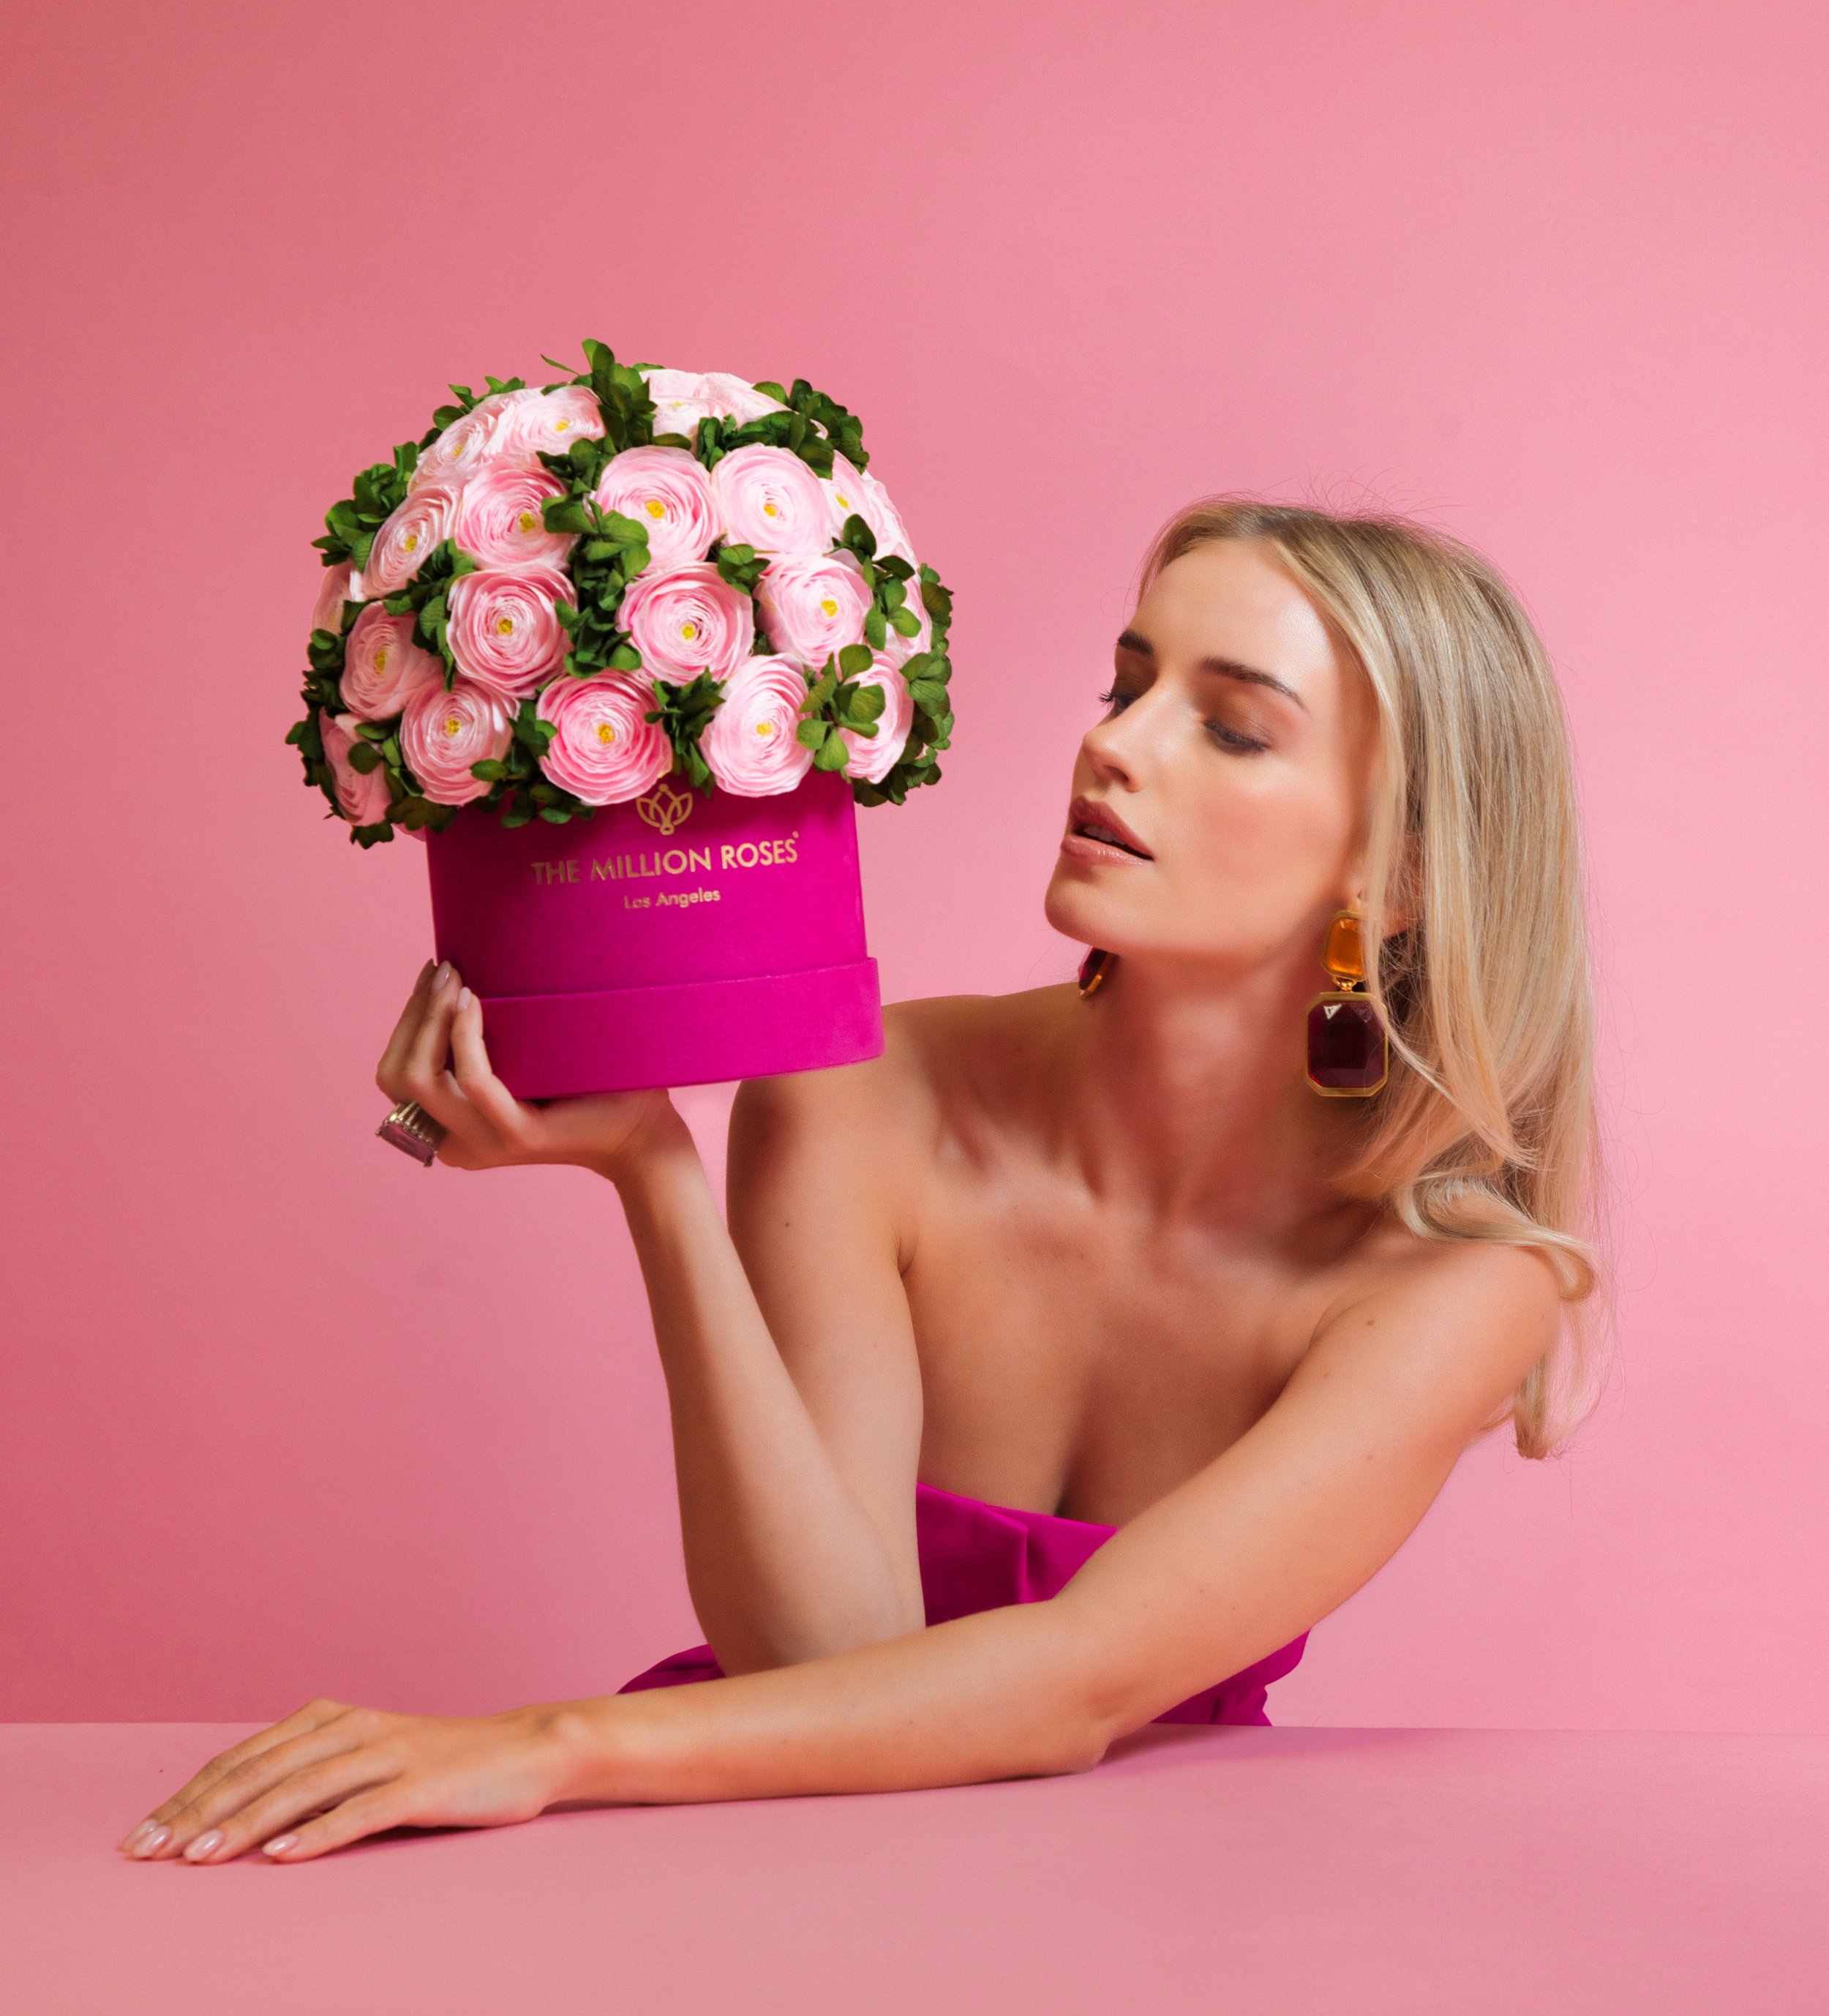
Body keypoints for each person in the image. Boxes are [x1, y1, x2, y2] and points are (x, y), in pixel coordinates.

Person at [122, 498, 1600, 1867]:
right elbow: (821, 1653)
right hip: (771, 1835)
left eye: (1228, 728)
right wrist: (652, 1171)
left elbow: (1071, 1685)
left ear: (1393, 869)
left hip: (1151, 1898)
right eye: (1124, 682)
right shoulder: (859, 1087)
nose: (1114, 743)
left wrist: (547, 1738)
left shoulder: (1457, 1290)